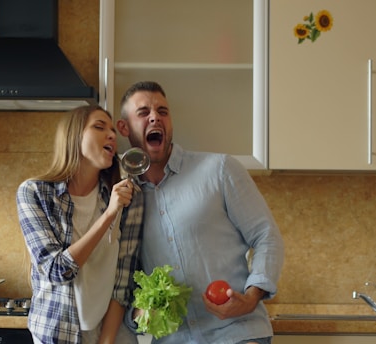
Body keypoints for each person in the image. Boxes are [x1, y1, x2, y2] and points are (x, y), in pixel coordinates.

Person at [116, 81, 284, 344]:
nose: (155, 117)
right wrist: (138, 314)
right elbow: (125, 277)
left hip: (237, 334)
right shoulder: (124, 200)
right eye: (143, 112)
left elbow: (266, 236)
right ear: (124, 128)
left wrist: (252, 297)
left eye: (162, 111)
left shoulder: (219, 170)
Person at [16, 105, 143, 344]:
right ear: (74, 137)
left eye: (113, 130)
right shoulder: (35, 192)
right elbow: (56, 270)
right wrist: (108, 215)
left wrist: (106, 341)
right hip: (56, 334)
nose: (112, 135)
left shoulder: (130, 197)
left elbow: (123, 278)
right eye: (99, 127)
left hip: (114, 335)